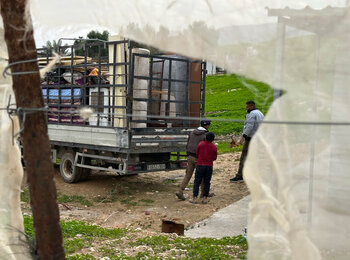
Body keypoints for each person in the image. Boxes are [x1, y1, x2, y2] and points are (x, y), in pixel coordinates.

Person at [175, 119, 211, 200]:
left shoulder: (192, 133)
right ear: (207, 126)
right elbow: (206, 147)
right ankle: (203, 193)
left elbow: (188, 144)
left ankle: (180, 190)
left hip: (190, 156)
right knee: (202, 175)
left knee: (188, 174)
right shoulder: (205, 135)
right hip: (199, 158)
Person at [230, 100, 264, 183]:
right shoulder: (260, 113)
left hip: (251, 139)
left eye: (247, 107)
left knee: (244, 157)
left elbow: (249, 127)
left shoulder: (252, 114)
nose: (246, 109)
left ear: (251, 106)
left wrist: (242, 139)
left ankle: (240, 176)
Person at [190, 132, 217, 204]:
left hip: (200, 165)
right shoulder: (214, 147)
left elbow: (197, 153)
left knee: (197, 181)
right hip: (209, 166)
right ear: (213, 139)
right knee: (207, 182)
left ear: (205, 137)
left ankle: (195, 197)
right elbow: (214, 157)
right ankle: (205, 198)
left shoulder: (201, 144)